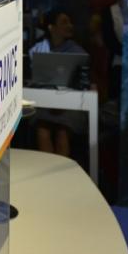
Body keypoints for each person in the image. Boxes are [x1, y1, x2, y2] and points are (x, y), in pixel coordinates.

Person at [29, 8, 89, 158]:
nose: (69, 26)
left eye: (70, 22)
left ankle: (62, 179)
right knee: (42, 129)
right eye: (64, 22)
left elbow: (83, 81)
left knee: (63, 131)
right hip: (45, 103)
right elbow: (34, 81)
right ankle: (47, 178)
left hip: (70, 104)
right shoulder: (39, 49)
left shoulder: (78, 51)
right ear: (51, 27)